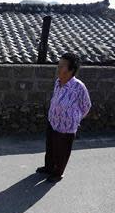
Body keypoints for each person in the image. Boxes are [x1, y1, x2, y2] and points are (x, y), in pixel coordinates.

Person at [36, 52, 92, 183]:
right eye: (58, 65)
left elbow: (86, 106)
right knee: (50, 147)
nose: (58, 68)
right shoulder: (58, 82)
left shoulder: (79, 87)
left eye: (62, 66)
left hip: (67, 127)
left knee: (62, 151)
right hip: (53, 121)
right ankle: (49, 167)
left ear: (71, 70)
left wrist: (75, 119)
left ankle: (58, 173)